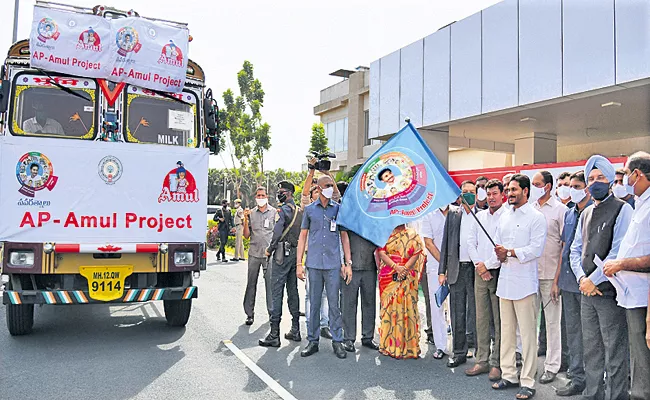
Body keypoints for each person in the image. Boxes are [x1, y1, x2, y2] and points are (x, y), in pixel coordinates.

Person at [570, 155, 633, 400]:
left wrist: (592, 280)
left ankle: (616, 396)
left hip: (609, 292)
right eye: (591, 179)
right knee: (592, 349)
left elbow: (618, 251)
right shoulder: (585, 213)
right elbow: (575, 250)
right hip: (587, 291)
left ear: (610, 181)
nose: (595, 183)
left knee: (614, 350)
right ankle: (593, 394)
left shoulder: (622, 208)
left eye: (601, 178)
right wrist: (581, 280)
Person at [489, 174, 547, 400]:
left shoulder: (536, 217)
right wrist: (492, 260)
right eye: (508, 190)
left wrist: (510, 252)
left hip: (525, 284)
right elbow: (497, 245)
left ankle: (528, 381)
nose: (510, 193)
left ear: (525, 191)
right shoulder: (503, 216)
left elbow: (536, 249)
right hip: (505, 282)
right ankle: (510, 374)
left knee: (528, 334)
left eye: (514, 190)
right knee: (507, 333)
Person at [603, 151, 650, 400]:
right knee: (637, 355)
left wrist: (621, 263)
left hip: (644, 297)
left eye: (626, 174)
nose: (623, 181)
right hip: (632, 295)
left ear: (637, 174)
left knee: (642, 358)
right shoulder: (640, 204)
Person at [296, 175, 352, 359]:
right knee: (314, 303)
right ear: (319, 188)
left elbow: (344, 236)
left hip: (333, 265)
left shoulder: (338, 209)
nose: (330, 188)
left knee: (334, 305)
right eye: (327, 185)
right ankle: (312, 341)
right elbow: (303, 236)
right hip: (313, 264)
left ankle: (337, 341)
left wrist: (347, 263)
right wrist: (299, 264)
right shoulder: (310, 210)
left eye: (331, 185)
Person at [555, 171, 592, 397]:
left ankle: (596, 379)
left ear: (587, 189)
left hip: (588, 284)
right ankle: (577, 378)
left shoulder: (593, 213)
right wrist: (558, 279)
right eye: (570, 186)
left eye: (577, 186)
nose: (572, 190)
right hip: (569, 283)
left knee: (592, 335)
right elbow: (564, 248)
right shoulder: (569, 214)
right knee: (574, 333)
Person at [465, 179, 506, 381]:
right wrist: (480, 266)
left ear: (502, 195)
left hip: (499, 272)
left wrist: (488, 266)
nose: (491, 197)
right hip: (479, 272)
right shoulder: (478, 216)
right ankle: (482, 360)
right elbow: (470, 242)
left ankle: (497, 363)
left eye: (494, 194)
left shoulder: (507, 216)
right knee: (481, 318)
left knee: (499, 321)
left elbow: (503, 246)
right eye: (488, 194)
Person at [529, 171, 567, 385]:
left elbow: (564, 247)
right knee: (527, 323)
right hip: (530, 276)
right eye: (532, 184)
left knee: (553, 323)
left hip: (550, 275)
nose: (534, 187)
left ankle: (552, 366)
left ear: (548, 186)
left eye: (538, 184)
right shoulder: (530, 209)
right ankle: (530, 365)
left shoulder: (560, 210)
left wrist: (556, 281)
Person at [439, 180, 479, 368]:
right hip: (457, 268)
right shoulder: (453, 214)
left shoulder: (483, 215)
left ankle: (480, 352)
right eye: (465, 192)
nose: (468, 194)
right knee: (457, 312)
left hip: (476, 269)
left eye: (472, 191)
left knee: (478, 312)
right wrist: (442, 270)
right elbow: (445, 243)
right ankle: (459, 352)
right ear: (459, 194)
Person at [259, 181, 303, 347]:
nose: (279, 194)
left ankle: (274, 334)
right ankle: (295, 329)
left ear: (289, 193)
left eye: (282, 192)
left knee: (276, 292)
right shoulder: (299, 211)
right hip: (294, 253)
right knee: (293, 292)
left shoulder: (282, 210)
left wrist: (270, 249)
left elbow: (277, 232)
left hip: (281, 255)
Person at [338, 184, 379, 353]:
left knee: (369, 302)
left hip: (370, 266)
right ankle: (348, 338)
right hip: (351, 266)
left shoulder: (374, 214)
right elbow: (342, 238)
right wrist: (346, 263)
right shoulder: (346, 212)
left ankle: (367, 337)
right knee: (349, 303)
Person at [377, 224, 425, 359]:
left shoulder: (412, 234)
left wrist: (405, 268)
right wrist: (396, 267)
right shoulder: (385, 232)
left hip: (407, 278)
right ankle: (389, 345)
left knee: (407, 309)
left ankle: (409, 347)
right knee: (390, 311)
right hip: (389, 277)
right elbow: (381, 252)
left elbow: (417, 252)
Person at [420, 206, 452, 360]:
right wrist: (443, 265)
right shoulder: (428, 215)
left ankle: (459, 347)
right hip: (435, 268)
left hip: (456, 267)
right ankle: (441, 346)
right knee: (437, 306)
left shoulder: (456, 212)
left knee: (456, 307)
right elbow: (428, 243)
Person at [242, 187, 277, 326]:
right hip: (254, 253)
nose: (260, 197)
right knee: (251, 283)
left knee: (270, 285)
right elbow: (246, 235)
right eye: (258, 195)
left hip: (269, 254)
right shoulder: (251, 213)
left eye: (263, 195)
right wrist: (245, 219)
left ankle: (272, 313)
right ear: (255, 197)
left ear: (267, 196)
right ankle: (249, 314)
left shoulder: (274, 213)